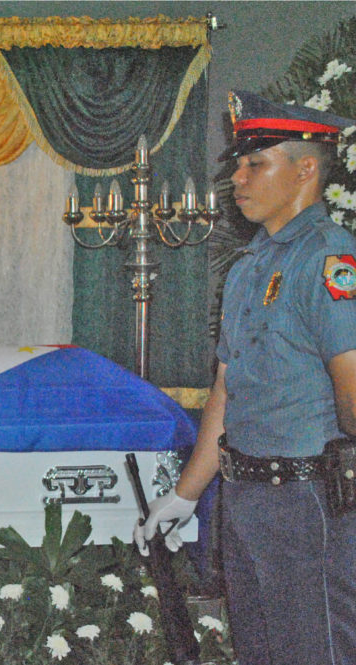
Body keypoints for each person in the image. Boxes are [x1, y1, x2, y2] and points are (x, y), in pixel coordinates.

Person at [134, 91, 356, 664]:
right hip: (246, 498)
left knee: (317, 652)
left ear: (306, 169)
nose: (237, 177)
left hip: (309, 502)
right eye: (238, 164)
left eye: (256, 163)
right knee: (259, 652)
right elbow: (227, 392)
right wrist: (186, 495)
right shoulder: (249, 266)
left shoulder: (329, 259)